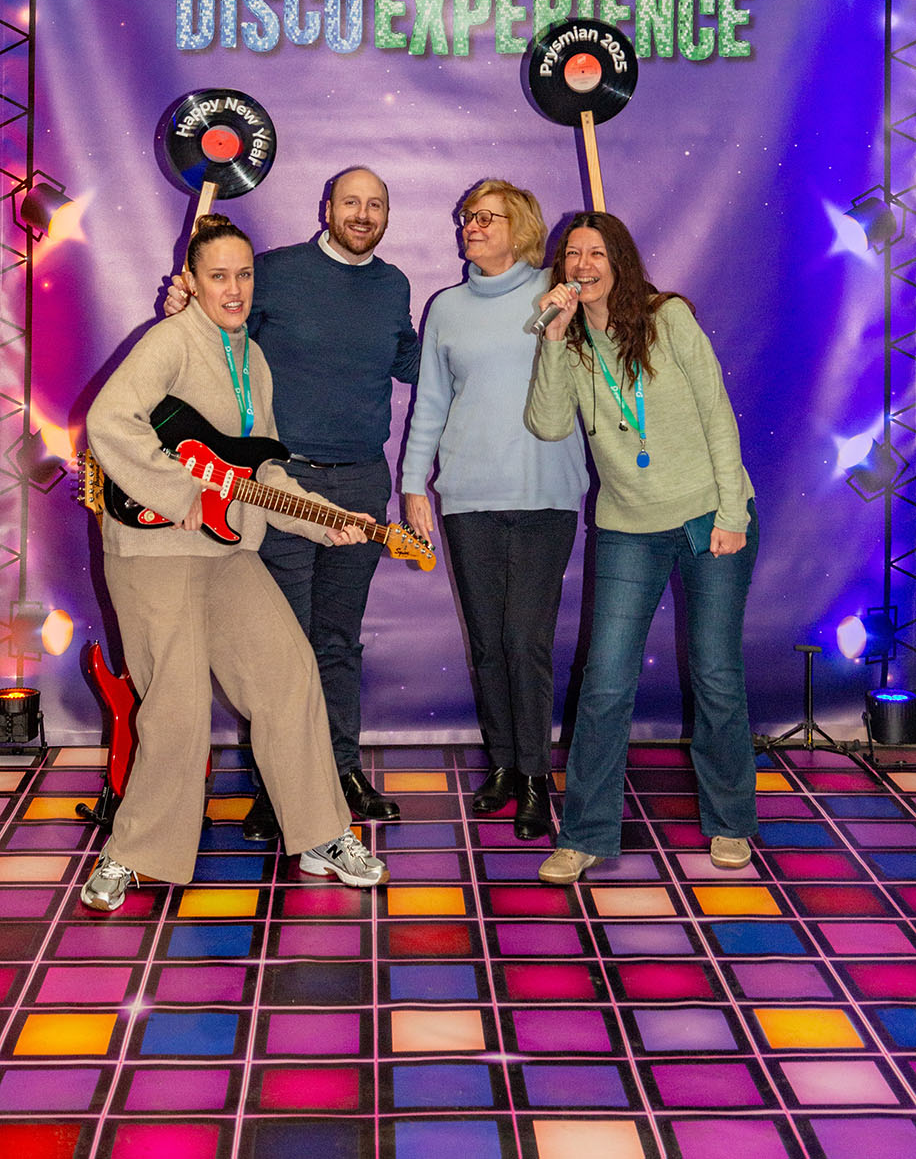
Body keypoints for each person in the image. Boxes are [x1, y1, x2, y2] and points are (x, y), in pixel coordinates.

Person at [81, 214, 388, 911]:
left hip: (226, 551)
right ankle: (132, 853)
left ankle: (320, 834)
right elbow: (109, 422)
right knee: (177, 705)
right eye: (218, 276)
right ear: (190, 282)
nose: (234, 289)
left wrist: (328, 520)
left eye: (244, 275)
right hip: (154, 552)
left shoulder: (254, 360)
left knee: (289, 674)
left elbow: (262, 473)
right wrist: (180, 490)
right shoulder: (169, 340)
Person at [165, 168, 420, 834]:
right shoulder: (275, 273)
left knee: (337, 641)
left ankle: (339, 771)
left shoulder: (394, 286)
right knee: (281, 646)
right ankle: (276, 787)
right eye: (351, 202)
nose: (362, 214)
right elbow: (217, 335)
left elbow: (416, 363)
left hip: (362, 483)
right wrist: (183, 307)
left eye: (375, 204)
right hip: (282, 488)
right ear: (326, 207)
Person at [526, 211, 758, 884]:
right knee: (603, 682)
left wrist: (731, 511)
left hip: (710, 516)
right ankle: (584, 834)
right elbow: (547, 425)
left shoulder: (668, 318)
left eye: (596, 253)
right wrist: (553, 337)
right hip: (629, 525)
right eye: (572, 256)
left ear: (620, 262)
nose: (583, 266)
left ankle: (730, 822)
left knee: (715, 673)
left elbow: (717, 414)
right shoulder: (571, 344)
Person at [402, 181, 588, 840]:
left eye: (486, 217)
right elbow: (430, 401)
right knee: (486, 643)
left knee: (524, 641)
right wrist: (414, 483)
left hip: (544, 494)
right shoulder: (446, 308)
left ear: (522, 227)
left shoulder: (559, 291)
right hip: (468, 498)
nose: (471, 226)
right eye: (466, 217)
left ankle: (536, 777)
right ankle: (505, 764)